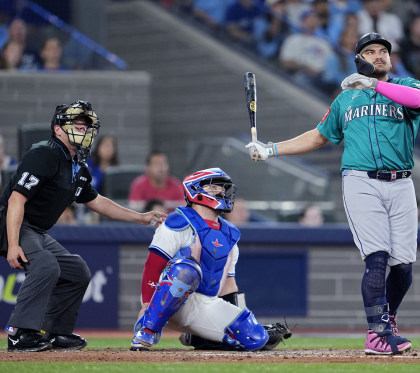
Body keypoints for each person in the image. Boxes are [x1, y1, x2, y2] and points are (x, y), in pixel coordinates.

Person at [245, 33, 420, 355]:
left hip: (402, 183)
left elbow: (418, 102)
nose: (379, 55)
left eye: (383, 51)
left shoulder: (407, 86)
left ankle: (387, 321)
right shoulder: (345, 100)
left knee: (404, 269)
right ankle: (377, 334)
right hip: (361, 181)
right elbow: (318, 137)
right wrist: (270, 149)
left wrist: (372, 85)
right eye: (370, 52)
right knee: (377, 259)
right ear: (358, 60)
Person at [0, 100, 166, 352]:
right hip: (10, 221)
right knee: (45, 264)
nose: (84, 131)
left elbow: (97, 201)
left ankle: (54, 332)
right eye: (77, 126)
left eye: (87, 127)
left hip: (35, 230)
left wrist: (141, 217)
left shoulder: (78, 166)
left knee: (77, 271)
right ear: (58, 129)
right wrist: (12, 244)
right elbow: (16, 198)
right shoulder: (45, 153)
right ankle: (19, 332)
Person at [130, 168, 290, 352]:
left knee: (256, 338)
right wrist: (145, 307)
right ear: (195, 191)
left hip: (204, 303)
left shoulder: (229, 234)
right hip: (165, 300)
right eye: (214, 187)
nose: (222, 192)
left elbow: (229, 286)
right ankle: (147, 330)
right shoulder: (177, 222)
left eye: (223, 188)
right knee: (187, 270)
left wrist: (238, 318)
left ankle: (198, 337)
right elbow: (152, 267)